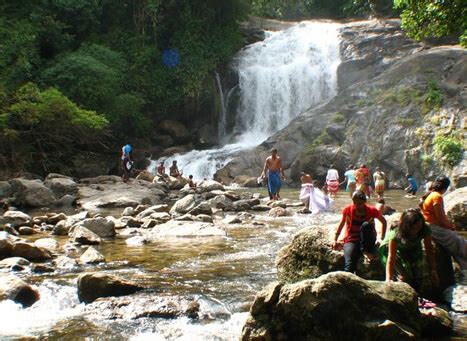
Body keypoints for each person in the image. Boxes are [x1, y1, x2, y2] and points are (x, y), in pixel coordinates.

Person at [379, 208, 437, 293]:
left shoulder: (424, 228)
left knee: (422, 278)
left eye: (419, 228)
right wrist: (388, 279)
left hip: (414, 249)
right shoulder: (396, 233)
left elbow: (429, 249)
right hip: (398, 251)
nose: (416, 231)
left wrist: (433, 270)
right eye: (413, 228)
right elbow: (391, 257)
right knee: (404, 278)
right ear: (406, 226)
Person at [333, 190, 387, 273]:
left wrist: (382, 238)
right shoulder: (348, 210)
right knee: (349, 265)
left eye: (359, 203)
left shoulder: (372, 210)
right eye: (354, 202)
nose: (356, 205)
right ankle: (348, 282)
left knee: (366, 225)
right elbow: (341, 223)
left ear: (364, 202)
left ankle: (365, 251)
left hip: (368, 240)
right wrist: (335, 239)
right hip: (352, 240)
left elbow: (384, 221)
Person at [420, 175, 466, 269]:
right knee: (460, 242)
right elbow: (440, 219)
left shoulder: (431, 194)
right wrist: (451, 227)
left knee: (457, 251)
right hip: (434, 228)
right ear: (445, 188)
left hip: (431, 227)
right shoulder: (437, 197)